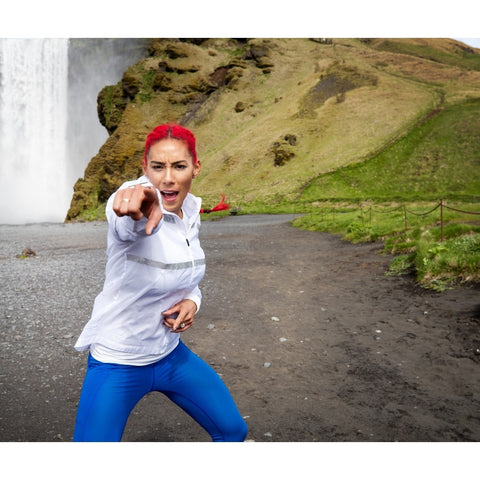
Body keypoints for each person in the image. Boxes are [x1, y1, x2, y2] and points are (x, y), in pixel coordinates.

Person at [73, 123, 248, 442]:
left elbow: (187, 275)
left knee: (233, 431)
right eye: (157, 167)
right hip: (118, 362)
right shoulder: (137, 209)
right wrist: (137, 203)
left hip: (169, 355)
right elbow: (126, 215)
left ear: (195, 167)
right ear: (145, 167)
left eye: (179, 166)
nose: (167, 177)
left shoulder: (190, 212)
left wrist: (192, 302)